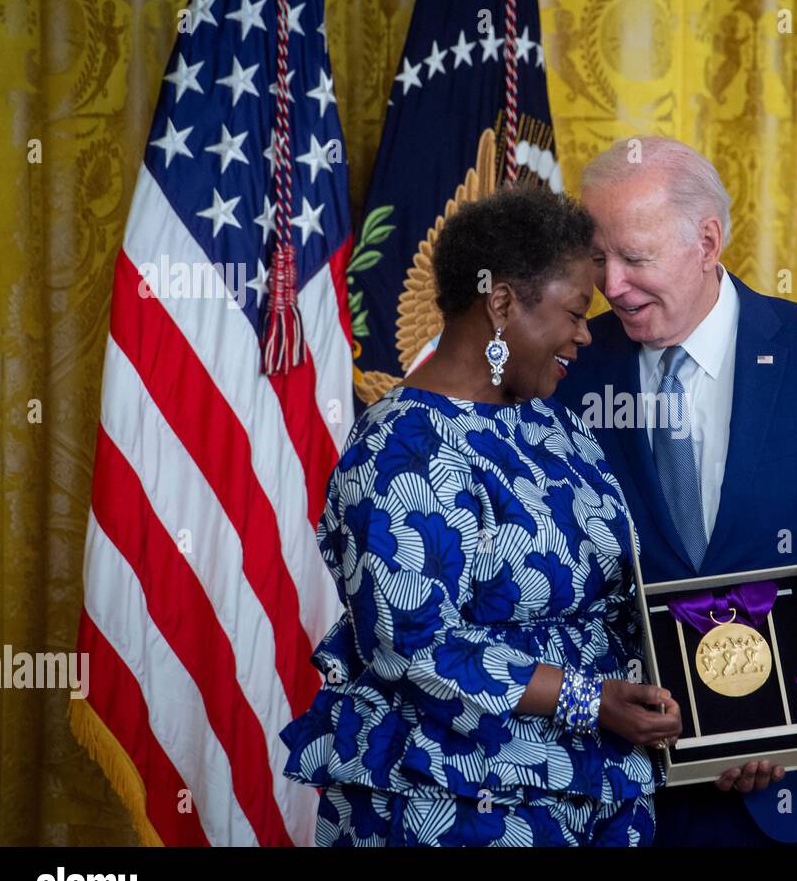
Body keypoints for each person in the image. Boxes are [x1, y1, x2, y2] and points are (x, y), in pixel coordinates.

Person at [554, 137, 797, 847]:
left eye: (635, 257)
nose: (610, 284)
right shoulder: (573, 368)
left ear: (707, 240)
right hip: (639, 801)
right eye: (597, 256)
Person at [280, 185, 682, 847]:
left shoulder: (558, 428)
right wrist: (590, 699)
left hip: (602, 788)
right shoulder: (401, 447)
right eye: (576, 312)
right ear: (501, 303)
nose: (586, 334)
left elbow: (620, 598)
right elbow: (415, 645)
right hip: (460, 796)